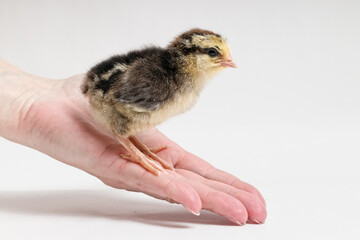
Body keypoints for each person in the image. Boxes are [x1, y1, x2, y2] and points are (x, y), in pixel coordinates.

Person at [0, 58, 266, 225]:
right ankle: (135, 151)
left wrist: (31, 94)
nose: (226, 60)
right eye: (213, 54)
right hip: (111, 99)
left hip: (110, 93)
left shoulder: (170, 80)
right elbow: (116, 105)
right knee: (124, 123)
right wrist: (140, 155)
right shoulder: (168, 84)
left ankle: (137, 149)